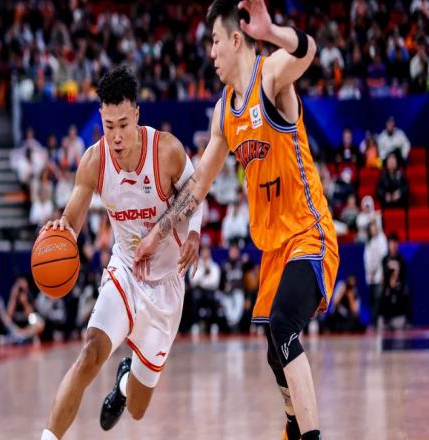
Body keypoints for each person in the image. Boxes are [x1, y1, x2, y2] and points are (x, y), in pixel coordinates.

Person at [134, 2, 339, 439]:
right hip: (273, 249)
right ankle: (293, 423)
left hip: (309, 231)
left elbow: (307, 52)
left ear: (235, 39)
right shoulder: (224, 113)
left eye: (214, 42)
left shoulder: (271, 77)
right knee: (274, 351)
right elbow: (198, 185)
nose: (210, 53)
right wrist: (157, 233)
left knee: (284, 327)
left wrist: (272, 31)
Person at [39, 66, 202, 440]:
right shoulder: (94, 161)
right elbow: (73, 218)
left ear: (137, 115)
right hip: (125, 272)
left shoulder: (167, 150)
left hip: (166, 285)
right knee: (90, 353)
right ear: (100, 117)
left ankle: (125, 381)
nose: (115, 135)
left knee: (139, 409)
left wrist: (193, 233)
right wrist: (62, 230)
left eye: (123, 125)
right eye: (108, 125)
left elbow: (196, 194)